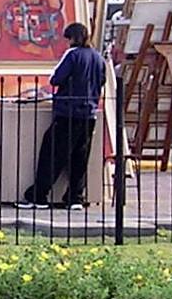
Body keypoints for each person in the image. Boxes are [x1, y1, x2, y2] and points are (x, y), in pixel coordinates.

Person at [21, 22, 108, 208]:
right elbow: (102, 81)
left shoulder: (72, 55)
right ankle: (75, 197)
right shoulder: (99, 58)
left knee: (52, 153)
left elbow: (56, 78)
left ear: (71, 38)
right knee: (80, 157)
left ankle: (39, 195)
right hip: (89, 114)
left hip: (68, 112)